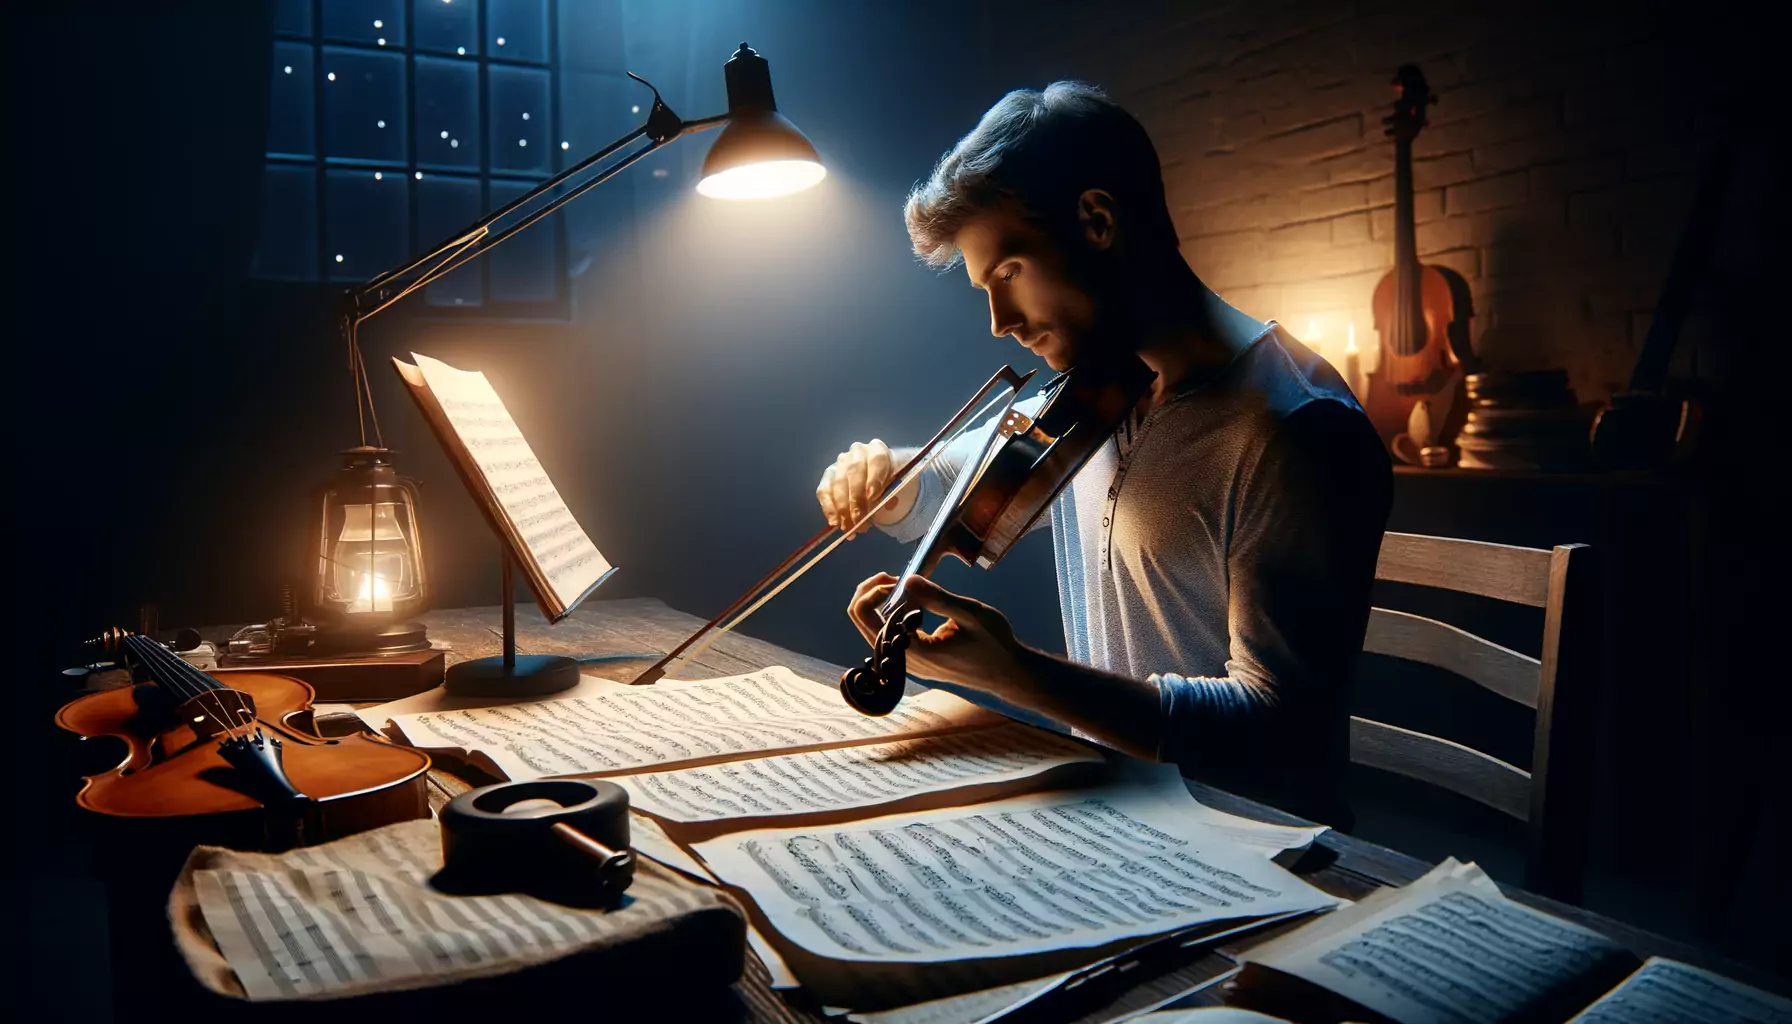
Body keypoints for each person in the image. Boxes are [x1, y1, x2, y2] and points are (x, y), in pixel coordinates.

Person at [815, 82, 1391, 827]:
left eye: (1008, 274)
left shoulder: (1298, 429)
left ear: (1097, 220)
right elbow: (941, 478)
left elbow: (1278, 730)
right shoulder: (1097, 394)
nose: (999, 323)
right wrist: (885, 476)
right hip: (1111, 814)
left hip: (1251, 849)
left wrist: (1019, 676)